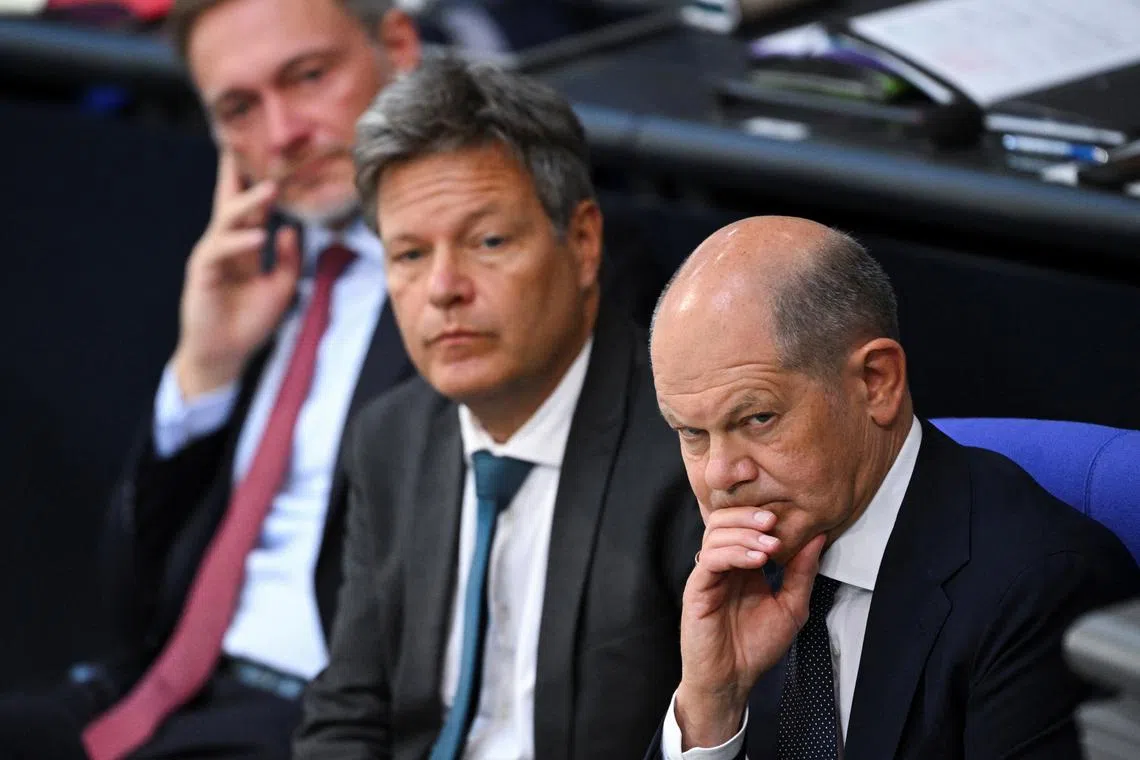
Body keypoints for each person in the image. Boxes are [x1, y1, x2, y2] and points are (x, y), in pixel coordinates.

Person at [0, 0, 420, 758]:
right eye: (239, 109)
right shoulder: (252, 276)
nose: (284, 133)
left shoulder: (490, 277)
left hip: (318, 720)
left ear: (398, 47)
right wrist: (204, 370)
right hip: (157, 691)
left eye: (310, 77)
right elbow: (132, 608)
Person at [293, 56, 703, 760]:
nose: (443, 288)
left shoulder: (691, 450)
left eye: (487, 242)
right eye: (410, 255)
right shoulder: (389, 439)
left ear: (581, 243)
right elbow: (348, 714)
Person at [645, 216, 1140, 760]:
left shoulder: (1039, 589)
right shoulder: (727, 564)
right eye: (692, 432)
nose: (720, 475)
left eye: (758, 418)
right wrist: (712, 705)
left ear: (876, 382)